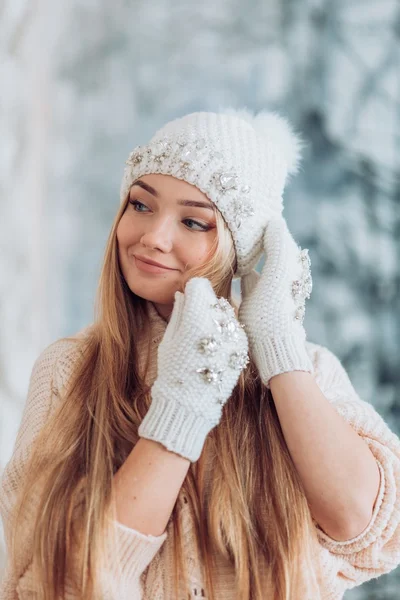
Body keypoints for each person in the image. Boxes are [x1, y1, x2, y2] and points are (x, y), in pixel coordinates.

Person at [1, 108, 399, 600]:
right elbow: (53, 584)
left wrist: (277, 344)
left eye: (193, 221)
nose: (154, 236)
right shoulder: (69, 369)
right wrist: (182, 408)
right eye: (141, 205)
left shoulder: (307, 372)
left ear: (241, 249)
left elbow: (368, 530)